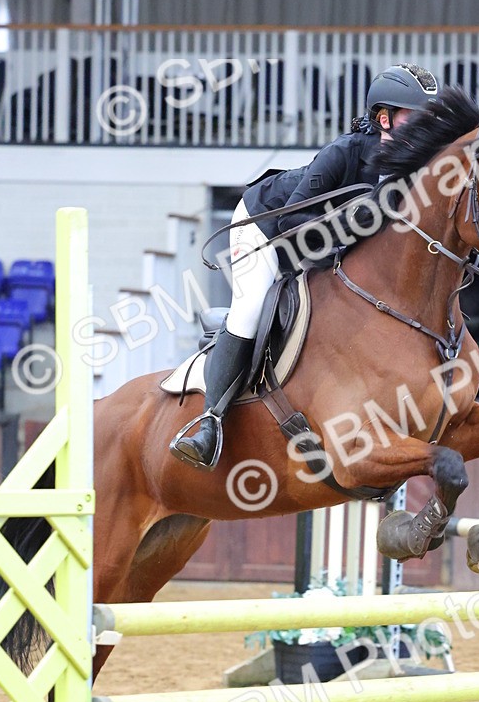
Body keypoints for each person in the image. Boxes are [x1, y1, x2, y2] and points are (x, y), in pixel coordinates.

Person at [171, 63, 439, 470]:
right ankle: (209, 422)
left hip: (319, 245)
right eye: (415, 118)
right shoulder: (343, 154)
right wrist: (348, 238)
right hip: (263, 226)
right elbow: (289, 224)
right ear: (384, 118)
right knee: (249, 310)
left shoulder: (416, 169)